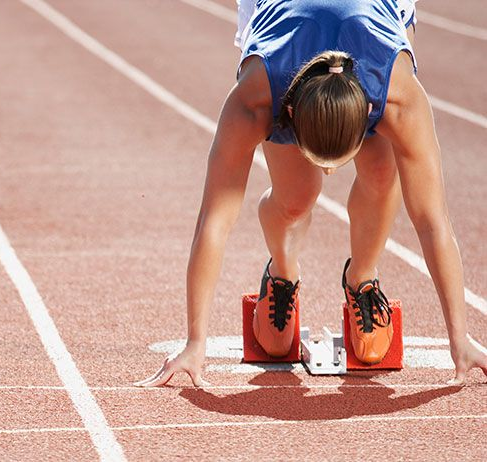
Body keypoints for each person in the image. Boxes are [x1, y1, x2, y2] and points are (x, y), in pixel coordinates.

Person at [138, 0, 486, 387]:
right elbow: (214, 221)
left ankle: (362, 280)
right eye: (319, 158)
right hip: (282, 28)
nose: (330, 172)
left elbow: (432, 219)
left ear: (370, 111)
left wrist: (460, 338)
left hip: (374, 23)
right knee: (296, 195)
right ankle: (282, 273)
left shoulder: (397, 97)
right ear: (288, 116)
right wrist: (194, 340)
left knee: (382, 169)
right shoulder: (256, 99)